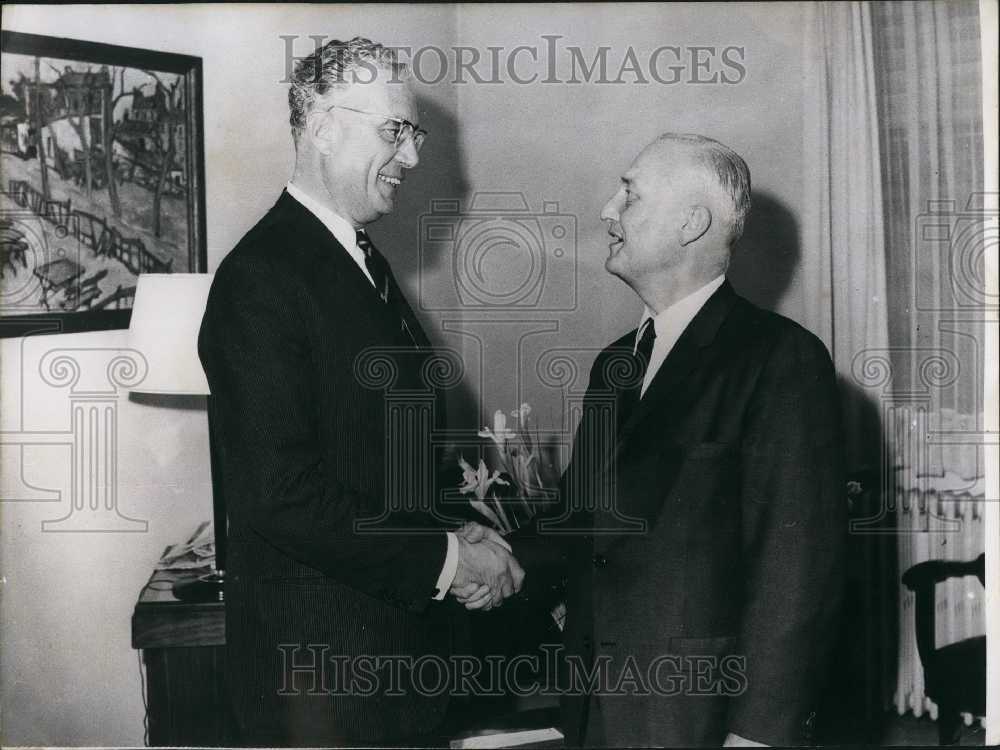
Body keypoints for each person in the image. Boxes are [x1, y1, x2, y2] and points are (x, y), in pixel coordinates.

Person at [198, 38, 521, 746]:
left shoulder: (358, 261)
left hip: (390, 675)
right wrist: (447, 561)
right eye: (394, 131)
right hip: (323, 689)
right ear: (322, 128)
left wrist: (454, 529)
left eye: (414, 133)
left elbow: (374, 456)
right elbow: (282, 492)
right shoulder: (261, 278)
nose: (411, 157)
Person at [485, 133, 846, 747]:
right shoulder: (613, 365)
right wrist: (481, 551)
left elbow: (798, 569)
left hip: (700, 715)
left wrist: (759, 734)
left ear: (690, 223)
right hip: (596, 701)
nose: (606, 210)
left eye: (629, 193)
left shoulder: (781, 359)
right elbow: (580, 525)